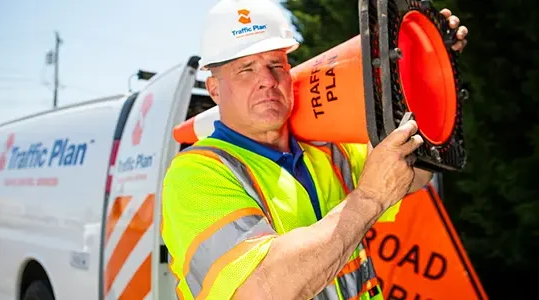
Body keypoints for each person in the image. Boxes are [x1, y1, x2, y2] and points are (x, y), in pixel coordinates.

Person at [161, 0, 469, 299]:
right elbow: (260, 291)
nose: (267, 81)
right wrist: (370, 198)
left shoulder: (327, 148)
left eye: (275, 65)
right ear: (214, 88)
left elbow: (412, 173)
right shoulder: (195, 175)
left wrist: (432, 69)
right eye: (246, 70)